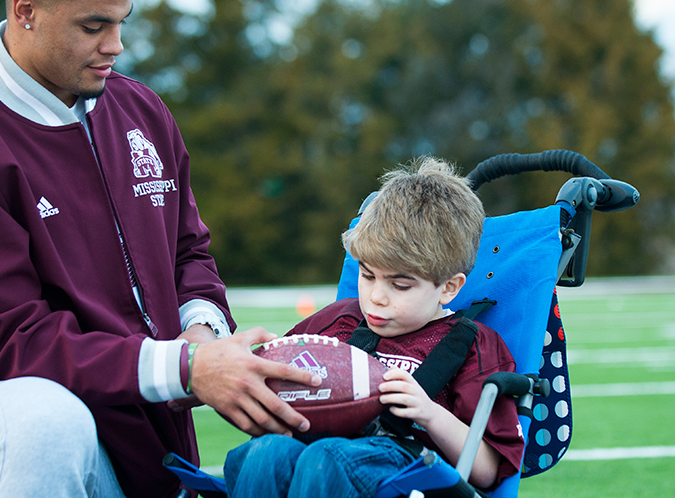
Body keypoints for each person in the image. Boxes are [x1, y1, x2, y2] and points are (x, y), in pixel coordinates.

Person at [0, 0, 319, 497]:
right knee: (48, 421)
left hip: (149, 409)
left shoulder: (141, 109)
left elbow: (187, 252)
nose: (116, 46)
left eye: (121, 23)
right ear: (25, 10)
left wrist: (201, 335)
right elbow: (11, 344)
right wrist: (184, 369)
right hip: (16, 402)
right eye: (93, 26)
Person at [224, 157, 525, 498]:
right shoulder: (339, 320)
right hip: (317, 452)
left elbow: (486, 471)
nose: (376, 298)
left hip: (408, 471)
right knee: (266, 452)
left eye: (400, 285)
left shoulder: (472, 345)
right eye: (367, 276)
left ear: (449, 288)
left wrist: (429, 414)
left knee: (327, 458)